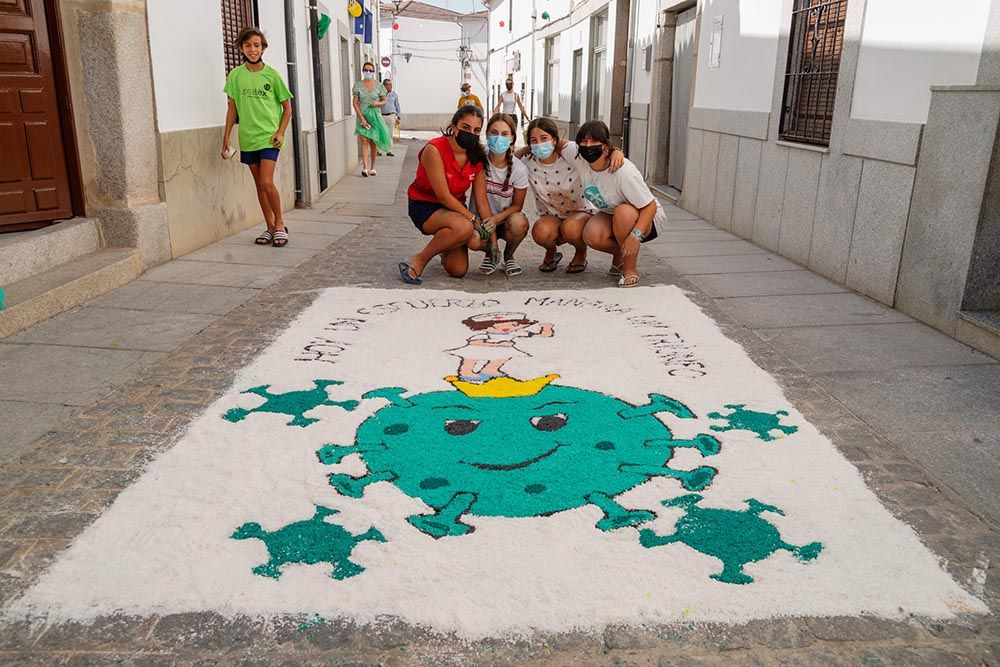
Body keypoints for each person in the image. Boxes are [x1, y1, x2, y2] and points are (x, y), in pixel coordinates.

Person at [399, 105, 493, 284]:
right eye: (466, 128)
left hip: (455, 209)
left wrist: (492, 237)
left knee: (458, 270)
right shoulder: (434, 149)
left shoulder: (478, 156)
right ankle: (420, 259)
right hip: (426, 204)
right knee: (464, 228)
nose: (471, 133)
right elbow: (443, 196)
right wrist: (473, 220)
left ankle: (445, 243)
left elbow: (481, 199)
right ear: (454, 126)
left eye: (476, 130)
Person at [519, 117, 623, 273]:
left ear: (555, 140)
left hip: (581, 212)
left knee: (571, 227)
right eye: (534, 140)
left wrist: (616, 151)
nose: (539, 143)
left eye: (544, 138)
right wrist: (527, 149)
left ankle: (581, 253)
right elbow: (508, 161)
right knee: (540, 231)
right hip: (551, 216)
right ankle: (551, 252)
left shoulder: (571, 154)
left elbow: (593, 149)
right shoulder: (527, 162)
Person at [222, 27, 293, 247]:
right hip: (248, 137)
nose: (252, 49)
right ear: (241, 48)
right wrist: (226, 137)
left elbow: (287, 108)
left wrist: (280, 132)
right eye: (248, 45)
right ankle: (269, 227)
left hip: (269, 137)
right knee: (259, 185)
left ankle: (280, 223)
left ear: (263, 48)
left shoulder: (271, 75)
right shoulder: (235, 75)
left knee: (266, 181)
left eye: (256, 45)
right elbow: (232, 109)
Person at [577, 120, 665, 288]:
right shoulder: (580, 159)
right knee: (591, 234)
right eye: (584, 141)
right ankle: (620, 255)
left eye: (595, 141)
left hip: (647, 218)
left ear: (605, 146)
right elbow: (556, 143)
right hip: (612, 212)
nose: (588, 146)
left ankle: (629, 268)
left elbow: (650, 206)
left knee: (623, 212)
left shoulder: (622, 171)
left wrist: (635, 235)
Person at [470, 113, 530, 276]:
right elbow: (481, 202)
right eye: (494, 133)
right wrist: (493, 240)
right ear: (487, 134)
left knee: (519, 222)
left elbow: (518, 205)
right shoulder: (479, 159)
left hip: (505, 220)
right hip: (481, 220)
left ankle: (509, 255)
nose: (498, 138)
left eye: (505, 134)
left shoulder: (519, 169)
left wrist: (497, 220)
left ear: (512, 138)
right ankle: (489, 253)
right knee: (473, 240)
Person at [447, 312, 554, 383]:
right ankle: (466, 373)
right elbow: (476, 343)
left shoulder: (515, 333)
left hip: (502, 349)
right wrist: (498, 345)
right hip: (480, 349)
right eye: (495, 326)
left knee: (502, 357)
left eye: (514, 325)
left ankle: (490, 370)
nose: (505, 328)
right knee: (470, 358)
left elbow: (542, 335)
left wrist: (546, 328)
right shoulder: (484, 335)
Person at [353, 62, 392, 176]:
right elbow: (355, 103)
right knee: (364, 140)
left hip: (375, 117)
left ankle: (373, 167)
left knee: (373, 141)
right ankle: (365, 167)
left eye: (370, 70)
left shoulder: (379, 86)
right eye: (366, 70)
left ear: (374, 72)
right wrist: (361, 118)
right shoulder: (358, 85)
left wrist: (378, 103)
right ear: (362, 70)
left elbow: (384, 100)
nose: (368, 72)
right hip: (362, 116)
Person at [381, 78, 402, 157]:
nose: (391, 86)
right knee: (381, 133)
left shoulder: (394, 94)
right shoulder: (380, 95)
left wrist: (399, 117)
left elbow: (397, 106)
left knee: (389, 134)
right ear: (384, 86)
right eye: (389, 85)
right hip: (381, 116)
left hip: (391, 116)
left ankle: (389, 151)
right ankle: (378, 151)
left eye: (391, 85)